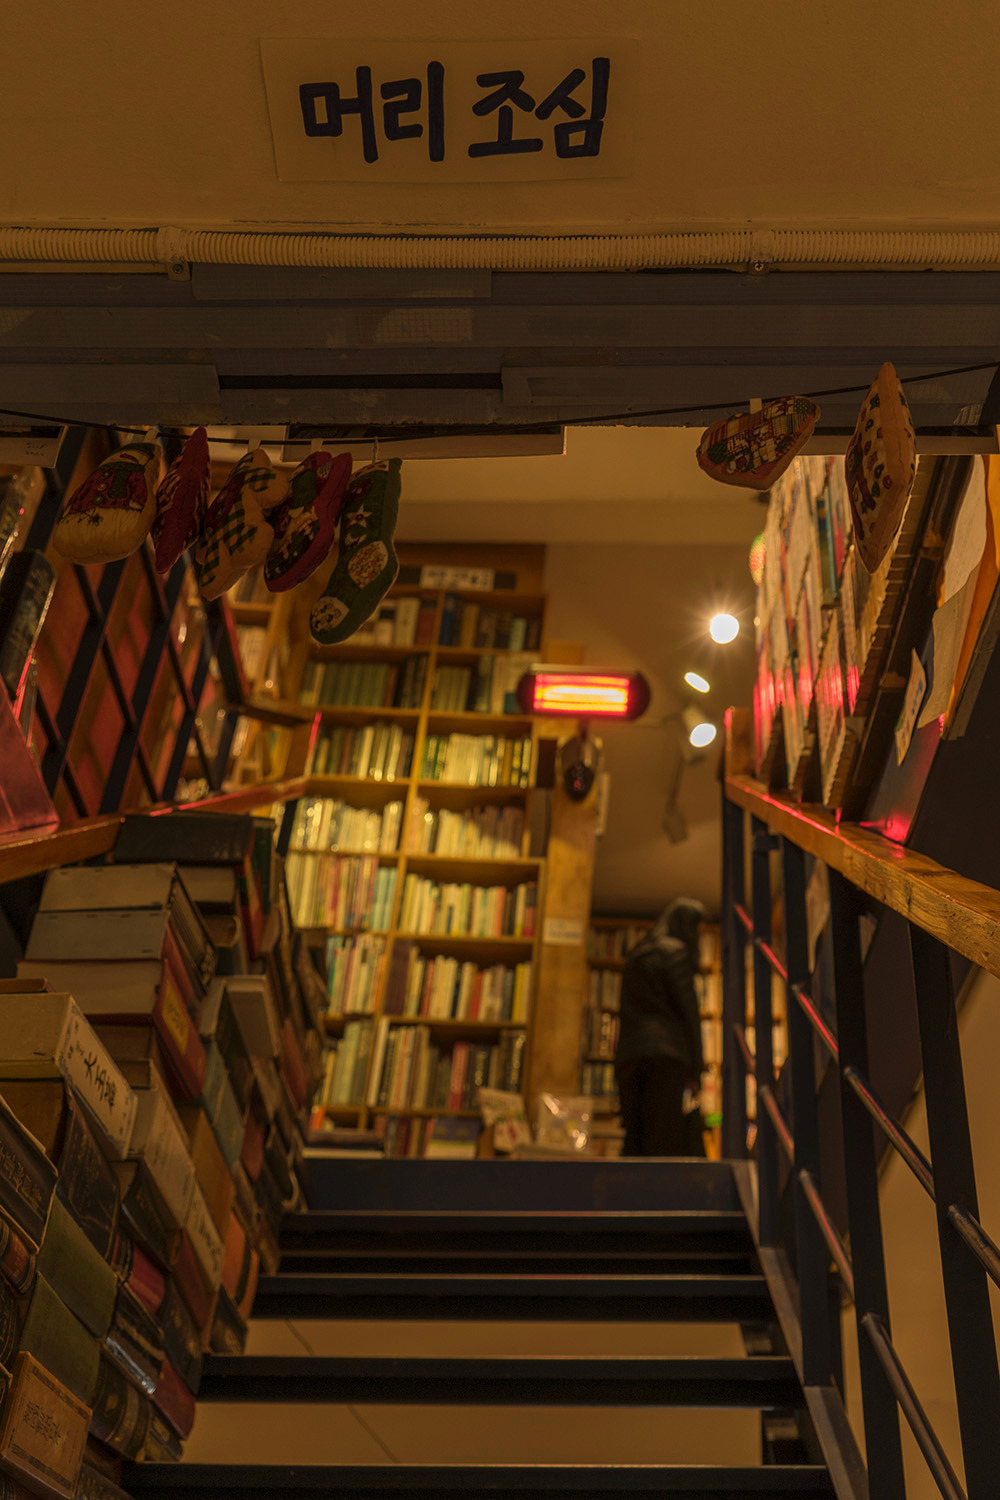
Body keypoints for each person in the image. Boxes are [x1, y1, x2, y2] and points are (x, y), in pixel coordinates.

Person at [614, 897, 706, 1156]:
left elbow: (626, 1011)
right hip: (666, 1055)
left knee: (635, 1141)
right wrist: (696, 1071)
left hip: (630, 1055)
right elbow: (689, 1013)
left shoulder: (638, 954)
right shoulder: (676, 952)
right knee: (663, 1141)